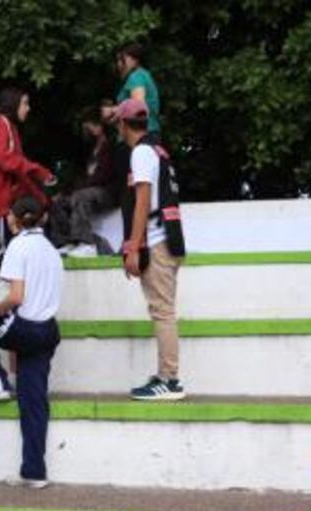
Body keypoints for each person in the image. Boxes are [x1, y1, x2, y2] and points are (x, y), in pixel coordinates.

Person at [0, 196, 62, 488]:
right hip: (48, 330)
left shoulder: (17, 246)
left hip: (25, 328)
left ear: (13, 219)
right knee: (34, 403)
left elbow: (15, 297)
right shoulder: (51, 249)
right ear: (42, 218)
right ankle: (34, 473)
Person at [115, 99, 187, 401]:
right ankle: (164, 375)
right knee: (162, 308)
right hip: (168, 239)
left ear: (123, 124)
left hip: (157, 242)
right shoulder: (157, 150)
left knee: (162, 311)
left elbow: (142, 201)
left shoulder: (141, 153)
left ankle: (170, 380)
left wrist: (133, 248)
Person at [0, 87, 56, 259]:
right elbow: (3, 158)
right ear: (12, 104)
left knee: (14, 256)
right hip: (3, 205)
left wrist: (41, 199)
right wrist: (38, 172)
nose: (28, 108)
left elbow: (16, 168)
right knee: (6, 258)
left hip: (10, 204)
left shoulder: (7, 126)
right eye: (25, 103)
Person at [49, 108, 117, 257]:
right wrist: (65, 192)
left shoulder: (111, 147)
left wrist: (76, 189)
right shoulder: (89, 149)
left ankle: (87, 243)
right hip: (89, 190)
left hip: (107, 192)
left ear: (100, 126)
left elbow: (102, 177)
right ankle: (66, 242)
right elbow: (80, 177)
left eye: (90, 126)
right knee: (58, 202)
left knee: (80, 196)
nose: (88, 131)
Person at [112, 43, 162, 143]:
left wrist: (112, 111)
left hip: (140, 136)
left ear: (134, 60)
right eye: (117, 60)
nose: (119, 64)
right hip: (146, 134)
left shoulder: (136, 77)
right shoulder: (142, 75)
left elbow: (137, 107)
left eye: (122, 60)